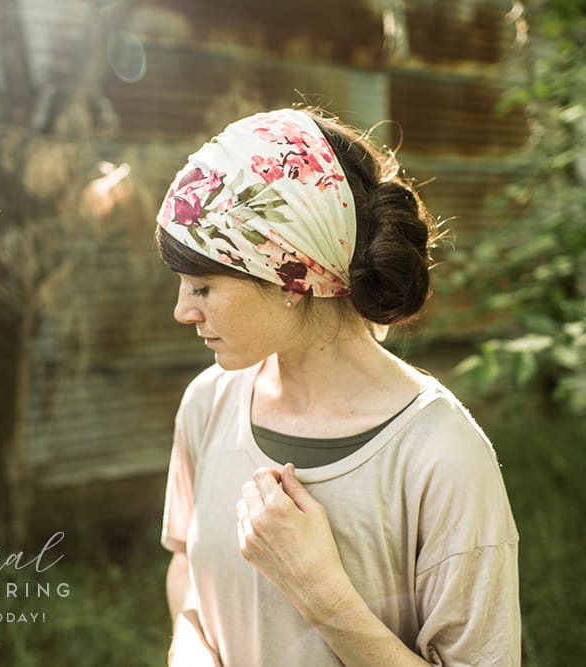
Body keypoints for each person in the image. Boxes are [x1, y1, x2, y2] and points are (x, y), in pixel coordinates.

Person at [155, 107, 519, 666]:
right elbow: (185, 566)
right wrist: (189, 647)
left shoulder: (443, 458)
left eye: (203, 286)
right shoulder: (208, 404)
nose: (182, 310)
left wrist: (320, 593)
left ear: (289, 280)